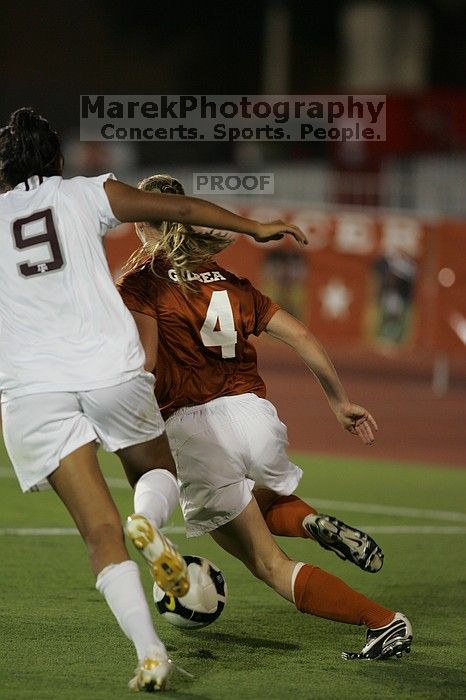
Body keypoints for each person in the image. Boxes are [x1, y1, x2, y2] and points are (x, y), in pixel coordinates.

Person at [0, 108, 308, 693]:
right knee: (153, 469)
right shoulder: (84, 194)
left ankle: (150, 655)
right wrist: (254, 228)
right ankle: (149, 521)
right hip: (107, 368)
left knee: (97, 533)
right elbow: (182, 211)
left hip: (32, 389)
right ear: (58, 162)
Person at [117, 174, 413, 662]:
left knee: (269, 563)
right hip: (256, 416)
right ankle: (311, 519)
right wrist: (339, 402)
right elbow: (302, 337)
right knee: (263, 499)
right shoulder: (231, 282)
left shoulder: (140, 282)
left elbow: (146, 363)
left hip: (194, 429)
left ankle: (383, 622)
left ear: (137, 220)